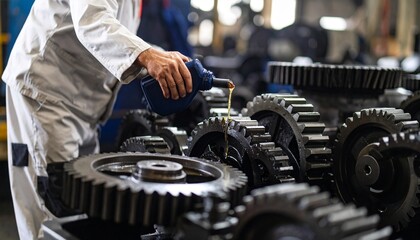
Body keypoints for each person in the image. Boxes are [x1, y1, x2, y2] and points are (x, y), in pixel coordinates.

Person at [1, 0, 193, 239]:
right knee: (55, 215)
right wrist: (149, 56)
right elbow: (93, 21)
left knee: (80, 207)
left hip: (83, 106)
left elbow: (116, 31)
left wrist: (165, 59)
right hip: (47, 96)